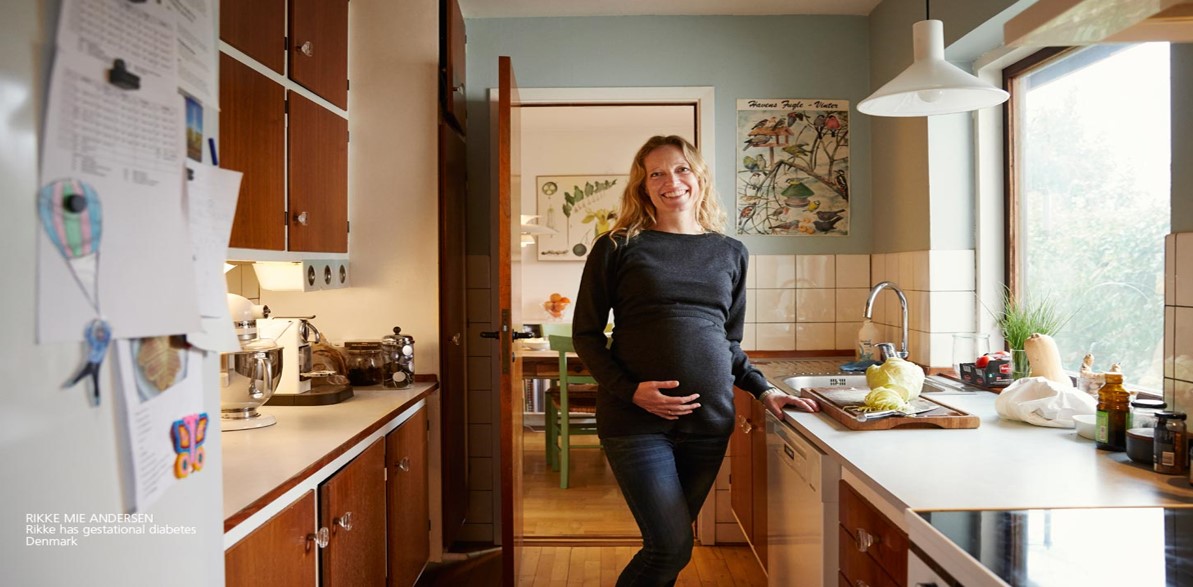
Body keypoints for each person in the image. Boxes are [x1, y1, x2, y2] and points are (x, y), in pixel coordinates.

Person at [571, 135, 820, 586]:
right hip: (635, 421)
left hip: (708, 424)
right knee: (669, 546)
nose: (672, 180)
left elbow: (728, 342)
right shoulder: (618, 245)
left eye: (682, 168)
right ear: (643, 186)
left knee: (673, 545)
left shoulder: (730, 252)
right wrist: (631, 391)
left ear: (699, 177)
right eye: (657, 173)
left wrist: (765, 391)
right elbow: (585, 335)